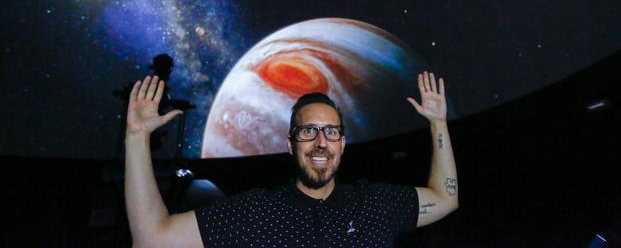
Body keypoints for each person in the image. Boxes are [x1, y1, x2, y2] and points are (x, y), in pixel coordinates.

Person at [125, 71, 458, 248]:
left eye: (330, 133)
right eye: (308, 131)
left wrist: (438, 124)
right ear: (290, 144)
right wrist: (137, 138)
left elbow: (445, 199)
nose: (319, 142)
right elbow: (153, 237)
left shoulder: (375, 204)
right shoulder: (254, 213)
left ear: (342, 144)